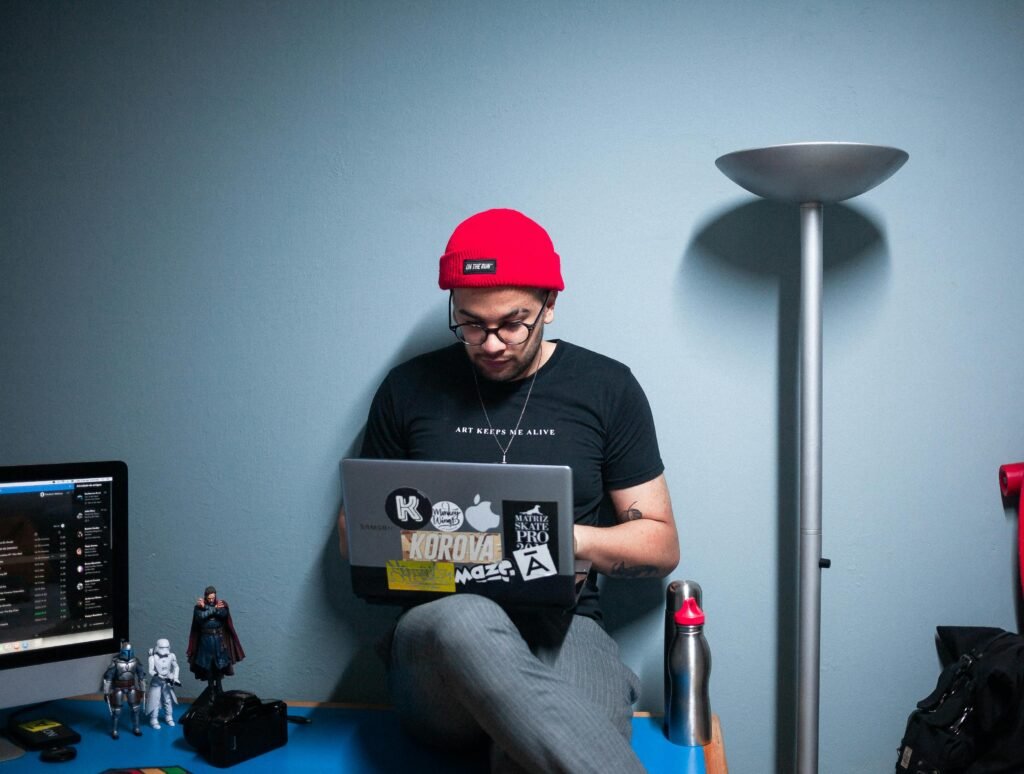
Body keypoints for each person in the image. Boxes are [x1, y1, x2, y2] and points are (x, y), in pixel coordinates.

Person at [338, 208, 679, 772]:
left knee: (536, 752)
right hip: (437, 644)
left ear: (549, 303)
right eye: (471, 324)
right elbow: (356, 538)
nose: (491, 342)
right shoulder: (408, 389)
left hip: (567, 628)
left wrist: (562, 540)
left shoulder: (607, 387)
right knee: (465, 617)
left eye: (512, 322)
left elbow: (660, 545)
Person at [186, 585, 245, 695]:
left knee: (219, 665)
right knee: (208, 665)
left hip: (218, 640)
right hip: (205, 641)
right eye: (209, 598)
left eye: (213, 598)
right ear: (206, 597)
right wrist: (211, 609)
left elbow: (223, 614)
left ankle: (219, 688)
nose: (212, 600)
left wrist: (209, 609)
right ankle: (211, 689)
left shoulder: (221, 605)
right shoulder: (198, 607)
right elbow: (201, 617)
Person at [101, 641, 147, 739]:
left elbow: (141, 676)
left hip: (132, 687)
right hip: (118, 688)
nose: (128, 653)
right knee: (116, 711)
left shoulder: (136, 661)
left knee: (135, 709)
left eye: (130, 651)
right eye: (126, 651)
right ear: (122, 651)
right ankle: (114, 730)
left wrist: (143, 690)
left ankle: (136, 728)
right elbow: (108, 678)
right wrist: (106, 692)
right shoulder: (115, 662)